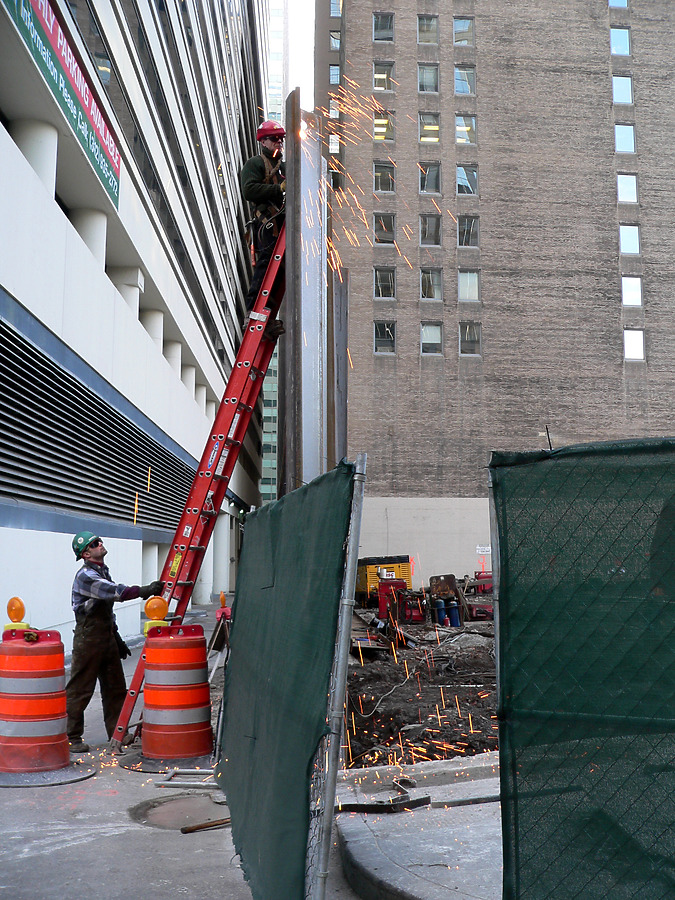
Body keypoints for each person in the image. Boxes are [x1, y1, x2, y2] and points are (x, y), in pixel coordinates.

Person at [66, 531, 163, 753]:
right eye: (94, 543)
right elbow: (113, 592)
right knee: (80, 690)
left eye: (99, 540)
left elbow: (106, 606)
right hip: (88, 639)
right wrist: (143, 591)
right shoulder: (85, 575)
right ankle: (71, 736)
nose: (100, 543)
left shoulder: (102, 570)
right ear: (86, 553)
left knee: (115, 688)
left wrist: (116, 637)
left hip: (105, 636)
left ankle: (118, 732)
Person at [240, 119, 286, 337]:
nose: (279, 143)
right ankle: (253, 312)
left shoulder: (285, 167)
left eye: (281, 140)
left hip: (282, 225)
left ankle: (267, 318)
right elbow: (249, 190)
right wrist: (278, 189)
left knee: (279, 274)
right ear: (264, 141)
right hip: (267, 225)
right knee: (265, 268)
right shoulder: (256, 164)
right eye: (275, 139)